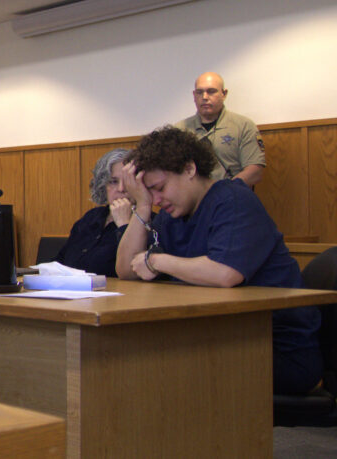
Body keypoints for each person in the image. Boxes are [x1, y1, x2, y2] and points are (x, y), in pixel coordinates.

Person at [115, 126, 321, 394]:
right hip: (220, 338)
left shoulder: (234, 200)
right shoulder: (172, 214)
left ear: (189, 169)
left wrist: (157, 260)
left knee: (153, 371)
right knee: (137, 361)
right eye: (149, 193)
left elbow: (226, 273)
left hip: (275, 348)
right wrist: (142, 207)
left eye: (160, 188)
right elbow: (126, 270)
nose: (156, 199)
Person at [175, 71, 265, 186]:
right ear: (194, 95)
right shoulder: (179, 131)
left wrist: (223, 193)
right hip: (194, 202)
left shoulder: (243, 126)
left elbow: (255, 171)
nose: (204, 97)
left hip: (232, 198)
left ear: (224, 94)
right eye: (199, 92)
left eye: (211, 91)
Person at [53, 148, 133, 277]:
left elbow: (132, 271)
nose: (121, 189)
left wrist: (124, 225)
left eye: (128, 181)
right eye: (113, 181)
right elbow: (61, 262)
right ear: (103, 185)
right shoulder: (91, 218)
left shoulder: (148, 222)